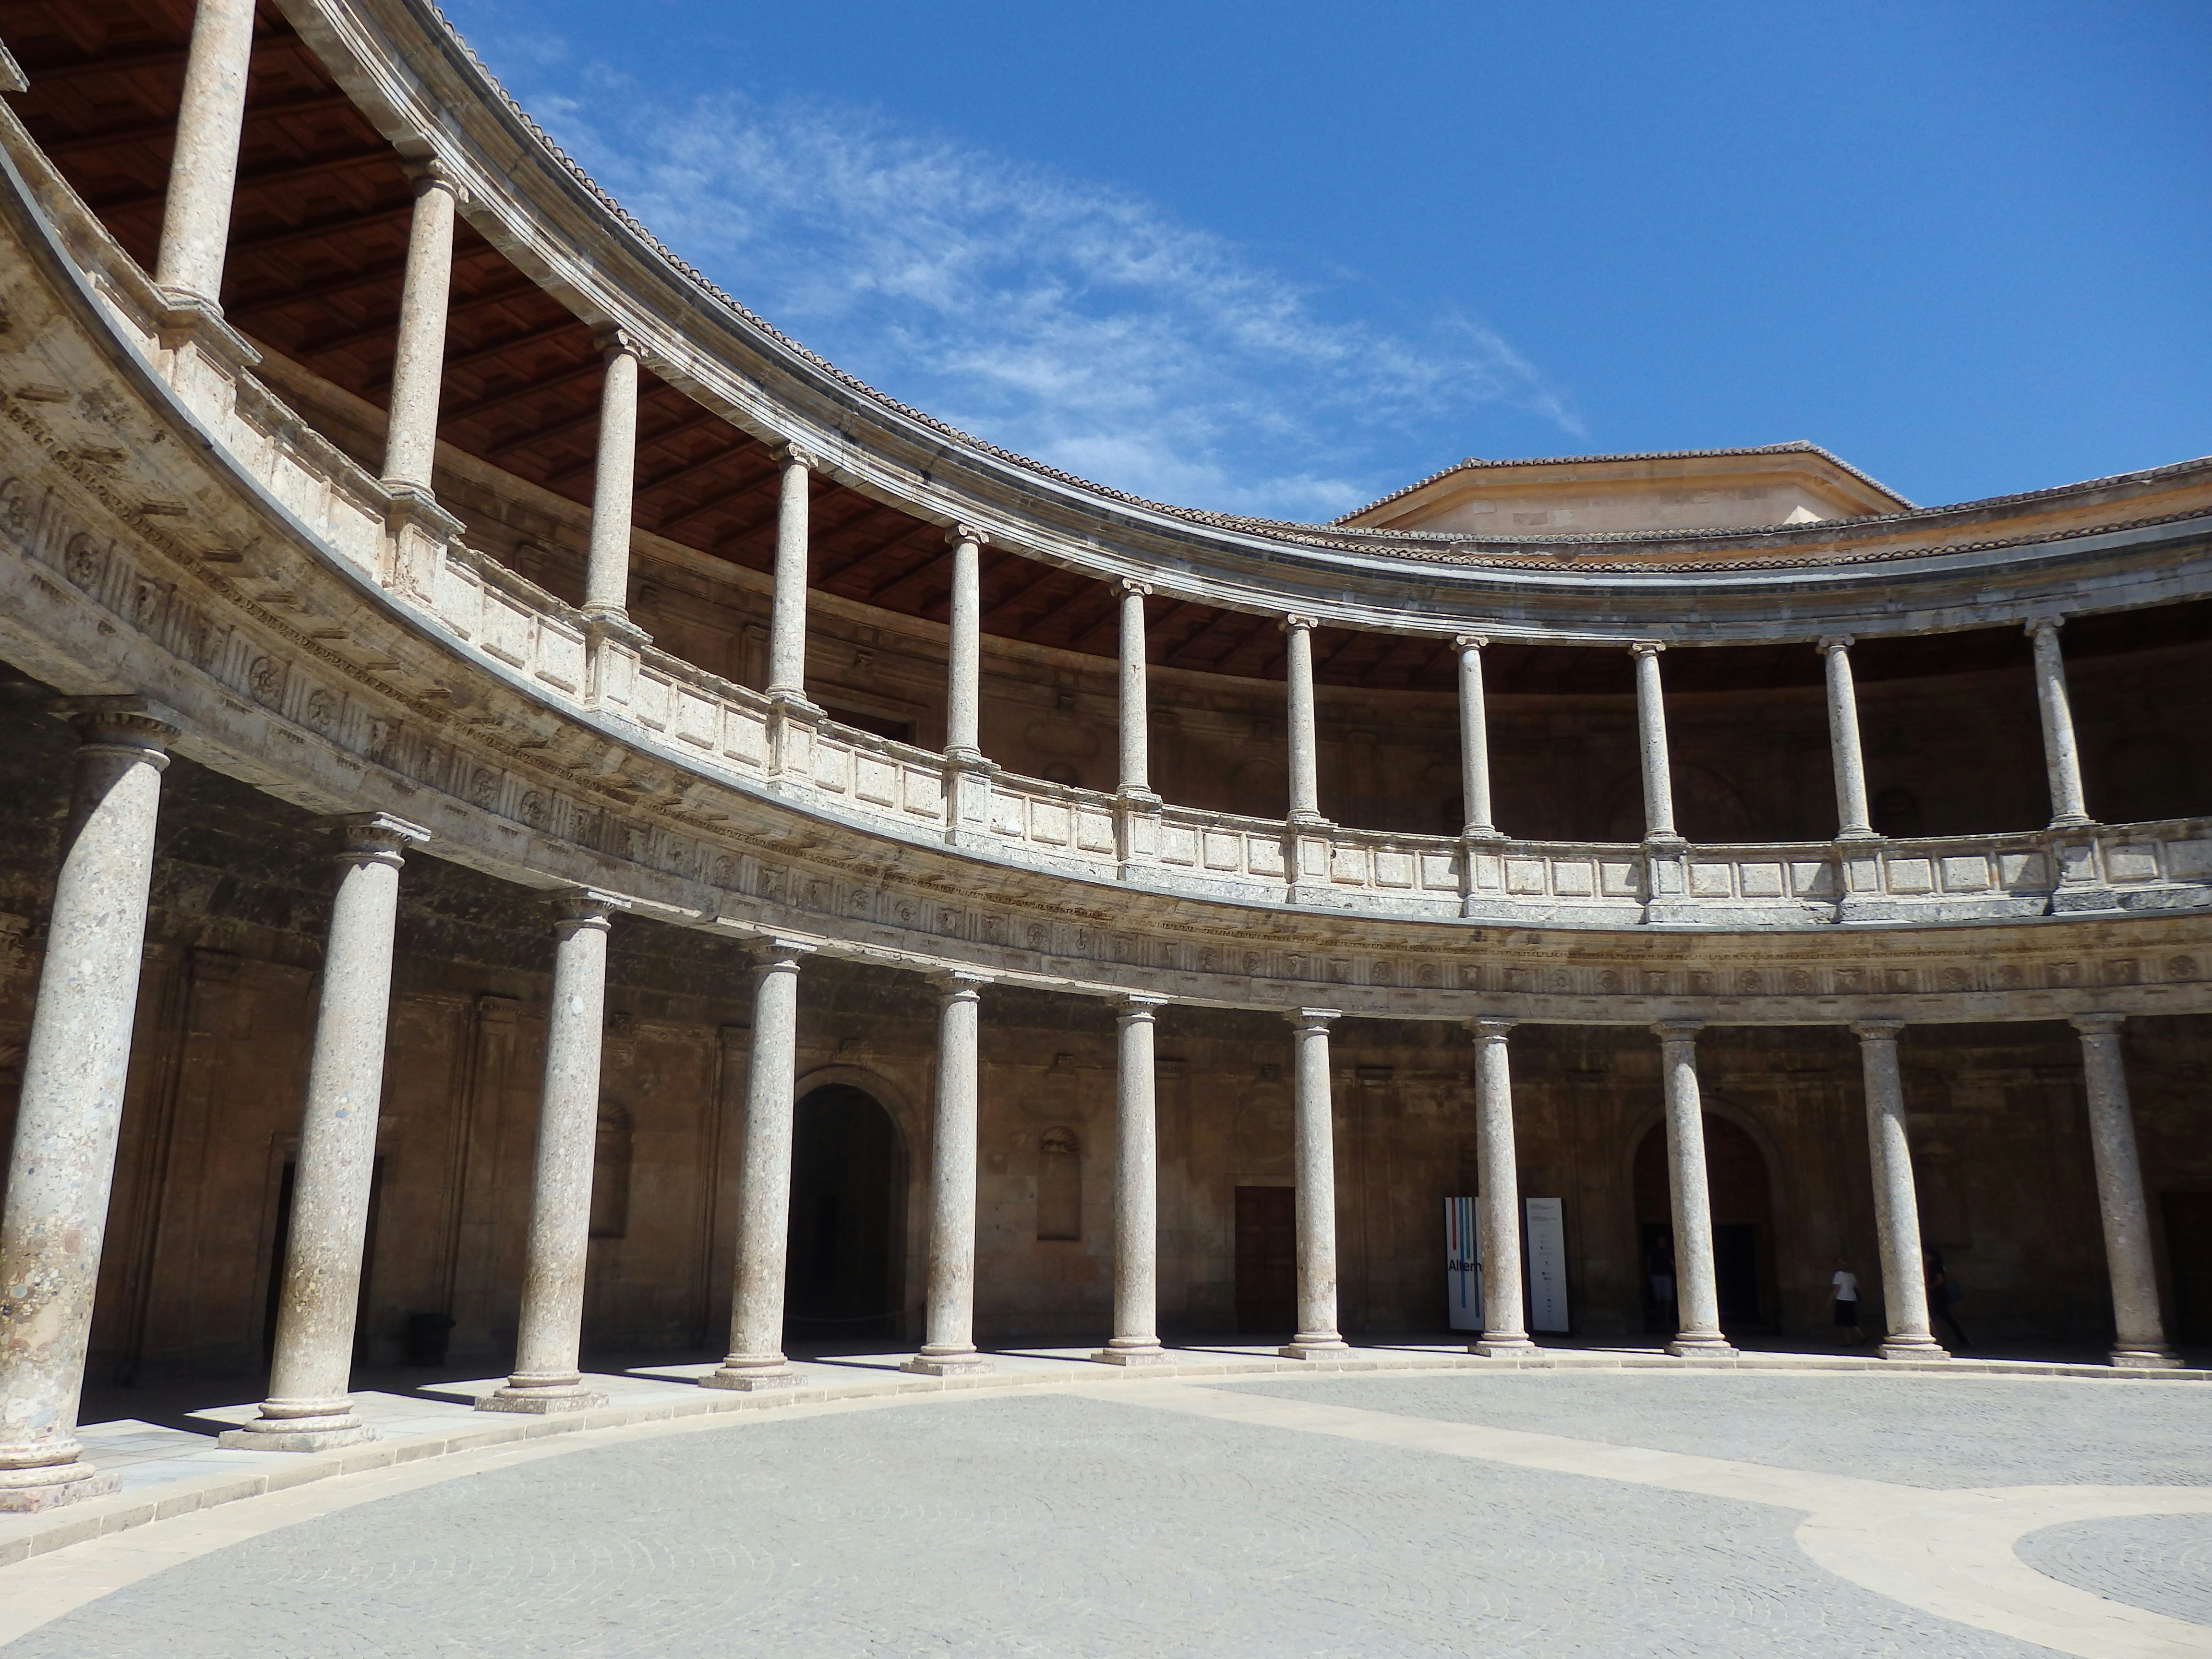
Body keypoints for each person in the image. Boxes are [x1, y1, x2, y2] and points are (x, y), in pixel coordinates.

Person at [1925, 1250, 1970, 1350]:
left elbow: (1939, 1280)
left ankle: (1936, 1341)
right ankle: (1961, 1339)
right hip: (1938, 1296)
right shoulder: (1934, 1265)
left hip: (1938, 1296)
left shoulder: (1935, 1266)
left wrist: (1928, 1287)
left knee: (1934, 1319)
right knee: (1945, 1319)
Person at [1831, 1258, 1864, 1346]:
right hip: (1852, 1298)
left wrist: (1830, 1300)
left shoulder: (1839, 1275)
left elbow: (1836, 1288)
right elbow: (1857, 1287)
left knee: (1843, 1321)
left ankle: (1851, 1339)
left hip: (1842, 1298)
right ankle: (1857, 1337)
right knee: (1851, 1319)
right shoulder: (1851, 1275)